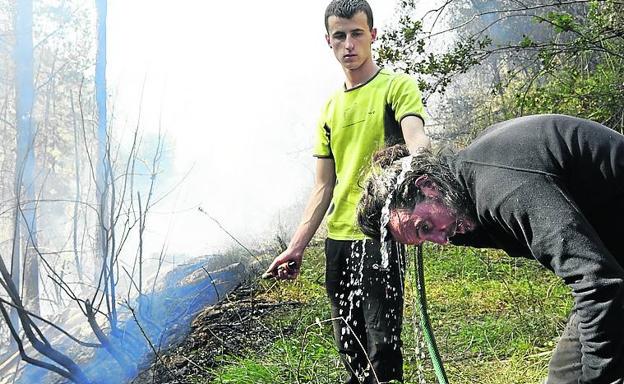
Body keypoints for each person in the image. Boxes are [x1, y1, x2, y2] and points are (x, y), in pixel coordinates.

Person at [357, 114, 624, 384]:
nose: (440, 240)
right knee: (565, 377)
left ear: (427, 185)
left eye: (425, 227)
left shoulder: (502, 189)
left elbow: (597, 281)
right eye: (424, 239)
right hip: (610, 262)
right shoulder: (460, 197)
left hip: (606, 275)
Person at [264, 0, 429, 382]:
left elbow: (416, 138)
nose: (349, 44)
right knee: (349, 345)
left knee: (384, 345)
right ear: (328, 41)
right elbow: (323, 186)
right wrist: (297, 246)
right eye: (340, 36)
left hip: (381, 237)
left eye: (357, 33)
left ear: (372, 35)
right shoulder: (329, 109)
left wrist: (420, 165)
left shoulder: (395, 87)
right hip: (338, 240)